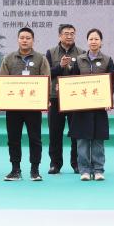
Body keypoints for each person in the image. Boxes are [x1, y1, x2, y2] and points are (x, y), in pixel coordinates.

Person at [0, 27, 50, 182]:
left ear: (33, 40)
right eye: (22, 38)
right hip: (13, 107)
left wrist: (45, 99)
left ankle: (35, 170)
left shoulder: (40, 59)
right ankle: (15, 170)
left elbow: (46, 80)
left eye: (28, 38)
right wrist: (0, 100)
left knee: (35, 139)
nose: (24, 40)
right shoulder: (8, 58)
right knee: (13, 139)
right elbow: (3, 81)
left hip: (33, 107)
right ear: (18, 39)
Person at [69, 28, 114, 181]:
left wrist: (108, 100)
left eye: (96, 39)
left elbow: (111, 82)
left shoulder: (107, 60)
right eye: (91, 39)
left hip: (99, 107)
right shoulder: (79, 60)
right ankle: (84, 170)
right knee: (82, 140)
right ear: (87, 41)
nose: (93, 41)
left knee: (98, 139)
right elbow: (73, 81)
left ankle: (98, 169)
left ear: (101, 42)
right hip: (82, 107)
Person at [46, 24, 80, 174]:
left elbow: (84, 75)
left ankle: (76, 163)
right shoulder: (51, 52)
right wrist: (60, 66)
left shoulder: (81, 53)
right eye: (66, 33)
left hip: (74, 97)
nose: (69, 36)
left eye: (72, 33)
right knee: (55, 132)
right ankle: (55, 164)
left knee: (76, 132)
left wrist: (72, 69)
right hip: (55, 98)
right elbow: (47, 74)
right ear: (60, 36)